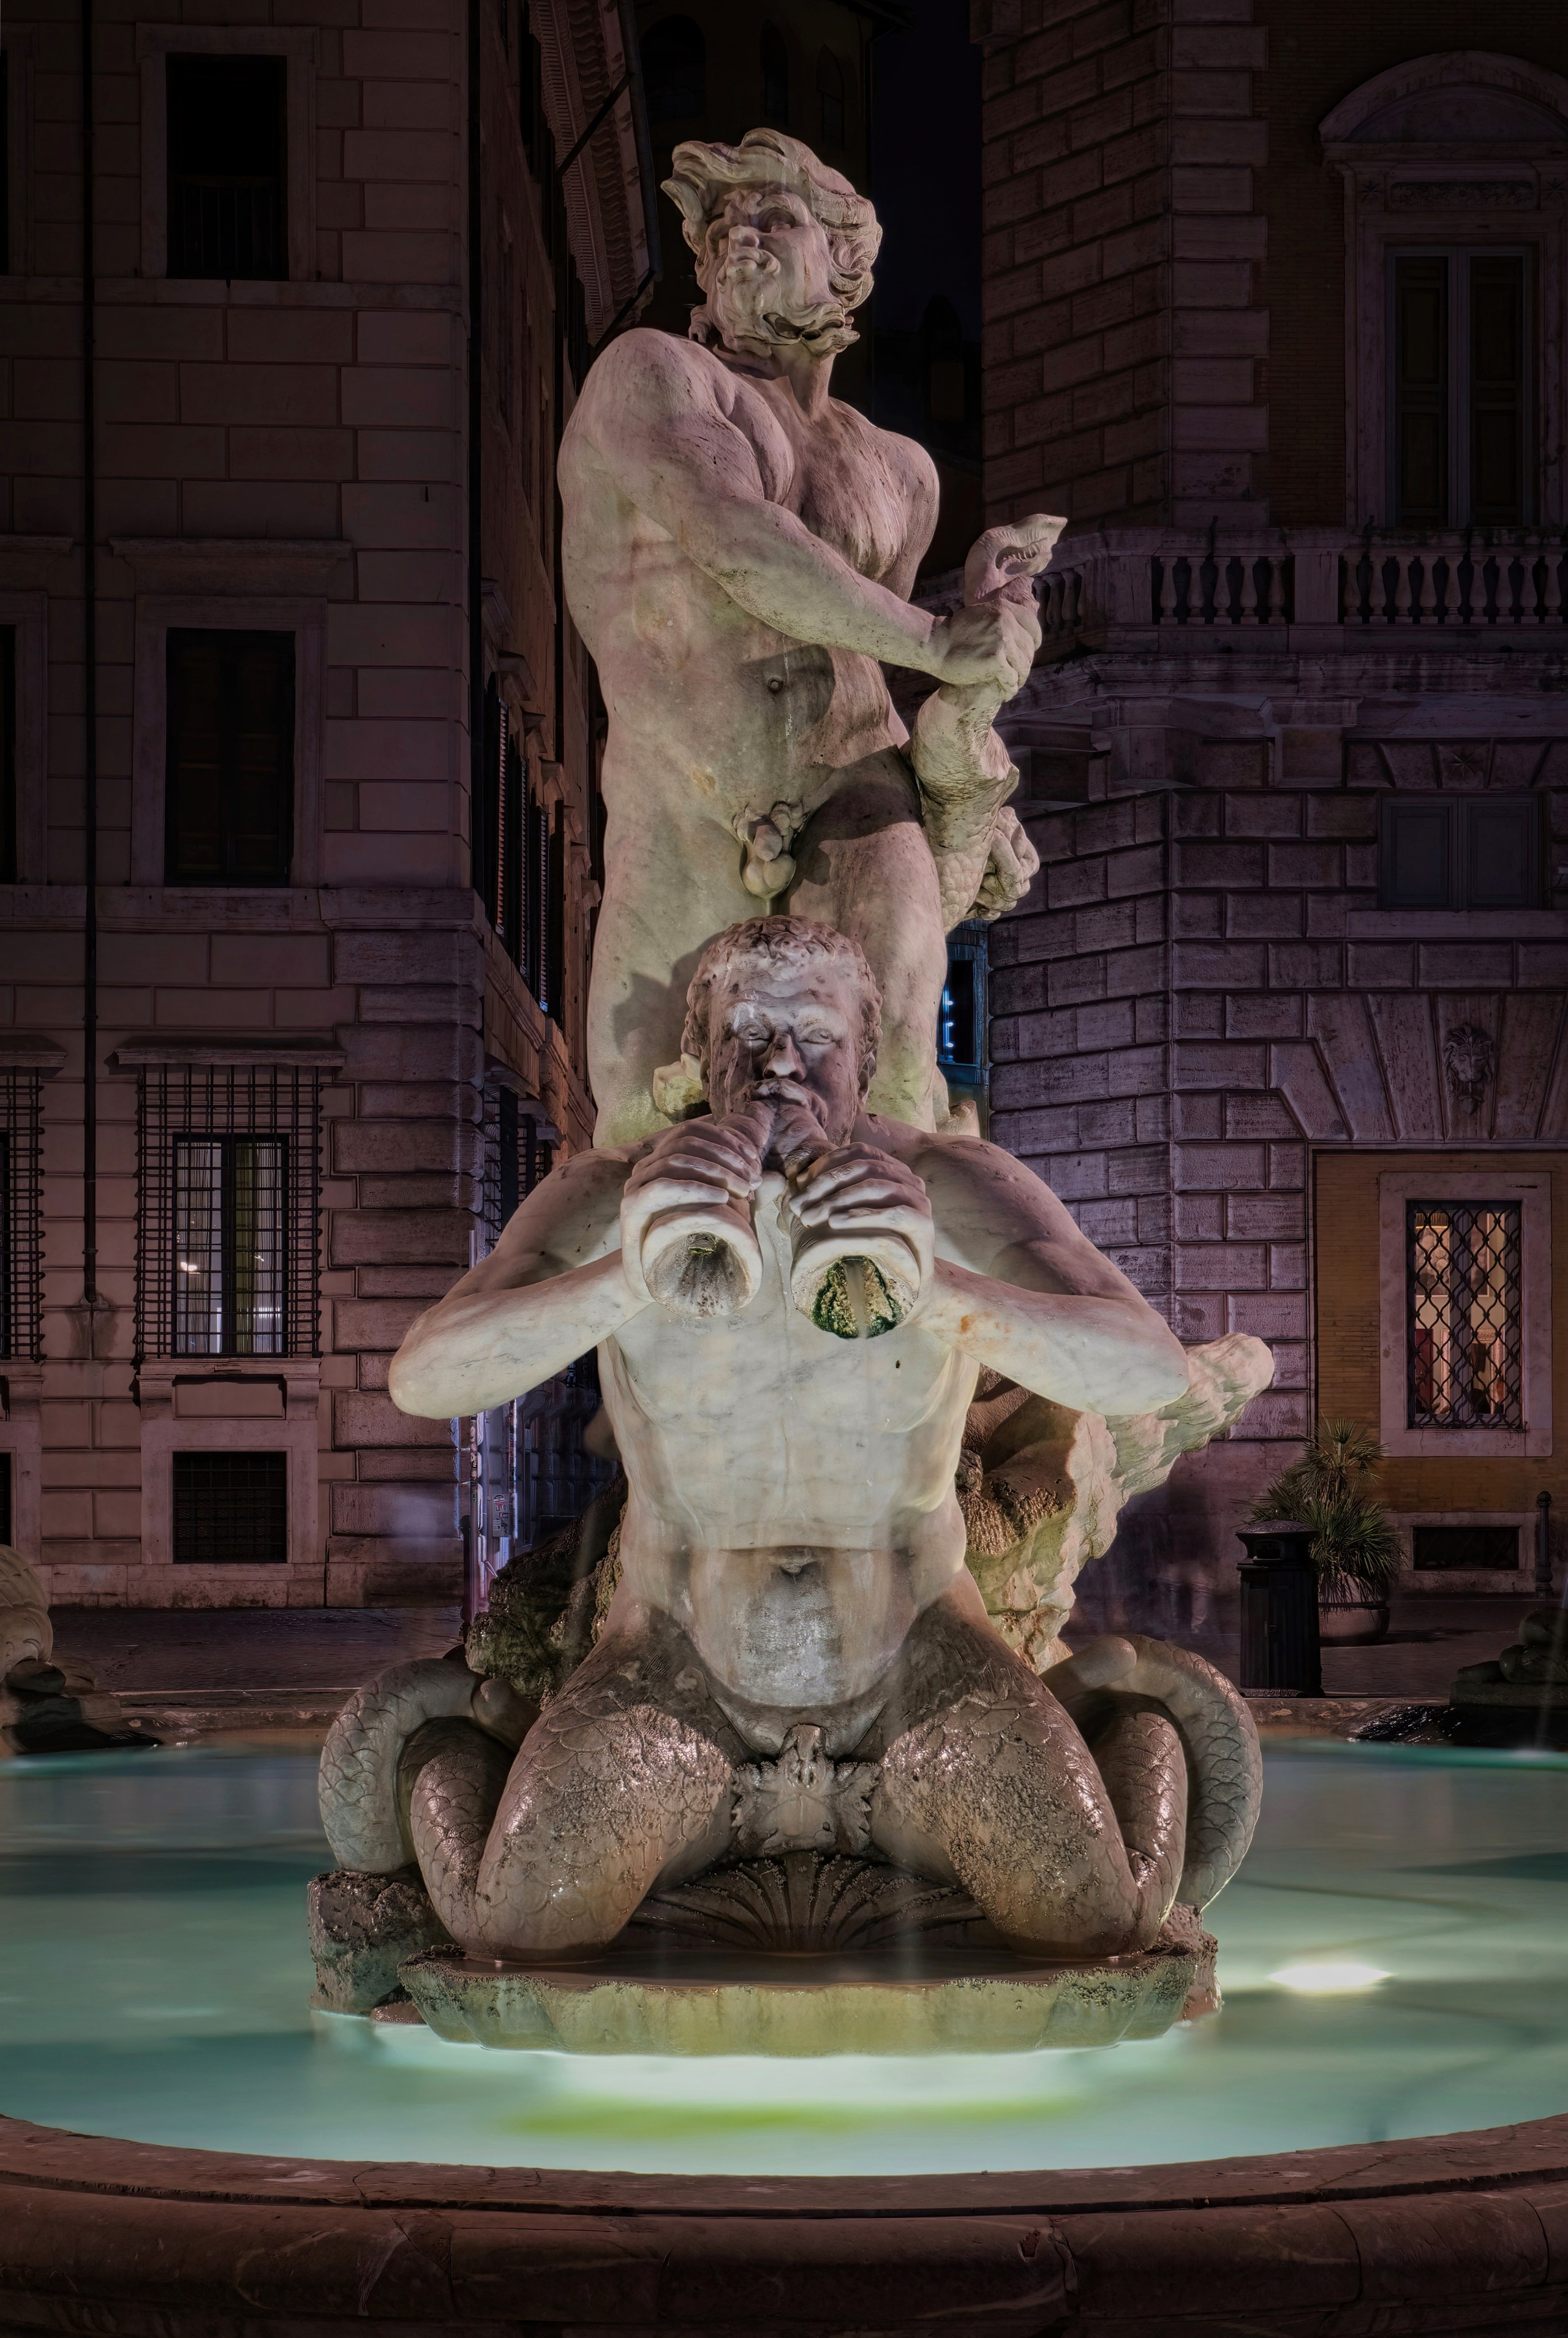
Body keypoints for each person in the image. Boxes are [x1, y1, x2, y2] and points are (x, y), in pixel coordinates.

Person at [372, 920, 1242, 1966]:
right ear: (699, 1051)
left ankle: (1120, 1726)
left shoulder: (953, 1185)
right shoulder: (614, 1192)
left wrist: (942, 1289)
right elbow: (425, 1377)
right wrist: (625, 1276)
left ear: (866, 1056)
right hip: (677, 1663)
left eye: (815, 1032)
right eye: (746, 1028)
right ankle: (466, 1743)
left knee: (1091, 1911)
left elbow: (1148, 1367)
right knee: (518, 1922)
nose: (780, 1058)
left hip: (914, 1660)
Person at [559, 129, 1049, 1145]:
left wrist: (976, 700)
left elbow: (864, 652)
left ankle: (897, 1285)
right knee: (636, 1139)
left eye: (773, 220)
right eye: (720, 231)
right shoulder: (651, 377)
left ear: (847, 262)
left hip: (855, 798)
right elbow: (739, 542)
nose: (741, 240)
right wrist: (938, 639)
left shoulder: (905, 473)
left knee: (898, 1100)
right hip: (682, 808)